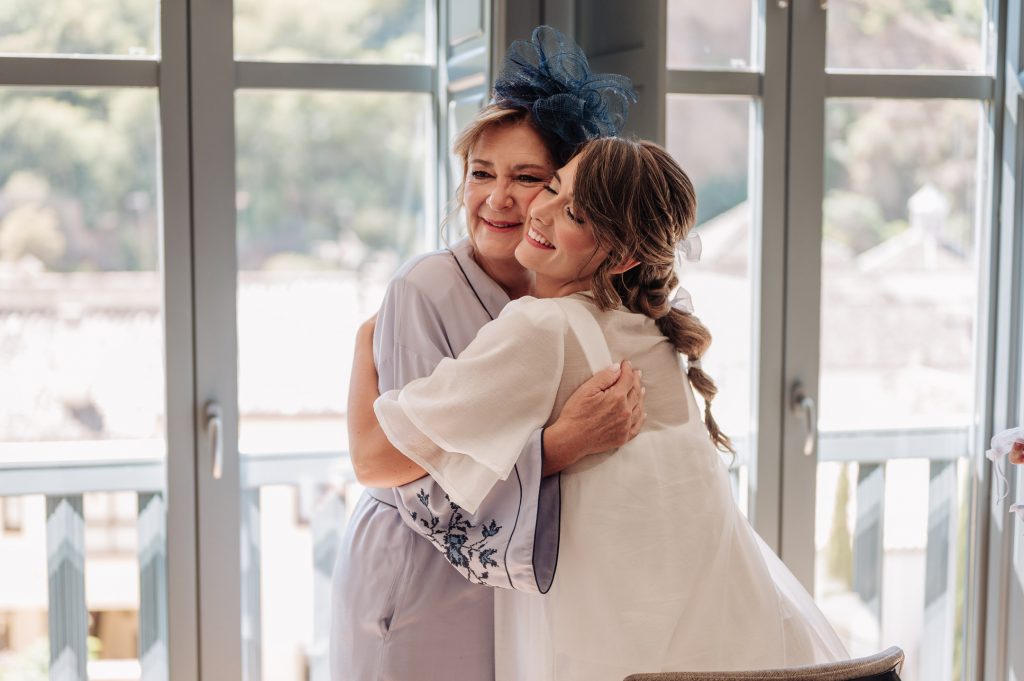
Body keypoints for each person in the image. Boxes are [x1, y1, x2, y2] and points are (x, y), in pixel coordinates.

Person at [362, 136, 850, 680]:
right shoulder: (652, 334)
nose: (539, 211)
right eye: (552, 188)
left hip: (608, 647)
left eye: (573, 213)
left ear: (622, 257)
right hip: (728, 631)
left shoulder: (541, 328)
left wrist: (365, 345)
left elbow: (374, 460)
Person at [330, 26, 642, 681]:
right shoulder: (425, 289)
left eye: (527, 178)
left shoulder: (579, 293)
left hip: (527, 584)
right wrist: (559, 445)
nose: (497, 199)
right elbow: (402, 473)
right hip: (419, 577)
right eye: (480, 174)